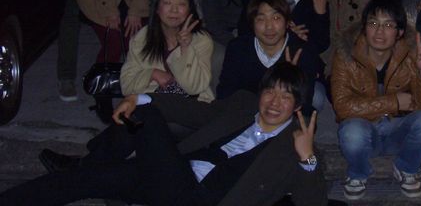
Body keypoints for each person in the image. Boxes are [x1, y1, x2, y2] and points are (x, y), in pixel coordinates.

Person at [2, 63, 327, 206]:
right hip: (169, 176)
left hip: (200, 200)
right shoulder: (242, 105)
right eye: (270, 92)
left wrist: (307, 159)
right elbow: (194, 112)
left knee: (145, 115)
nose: (274, 102)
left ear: (298, 104)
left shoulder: (298, 146)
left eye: (286, 96)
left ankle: (89, 159)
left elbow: (312, 202)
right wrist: (140, 96)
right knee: (86, 179)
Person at [331, 0, 421, 200]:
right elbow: (341, 106)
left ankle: (406, 167)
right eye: (373, 23)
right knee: (351, 131)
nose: (379, 32)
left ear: (399, 32)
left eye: (388, 25)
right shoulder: (346, 55)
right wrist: (394, 102)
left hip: (398, 132)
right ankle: (358, 173)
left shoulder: (411, 54)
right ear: (364, 28)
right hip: (364, 132)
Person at [216, 0, 321, 115]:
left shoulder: (303, 52)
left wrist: (291, 78)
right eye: (261, 19)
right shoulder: (238, 48)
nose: (269, 27)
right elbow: (225, 93)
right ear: (252, 23)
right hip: (244, 113)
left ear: (287, 22)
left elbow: (304, 104)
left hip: (283, 116)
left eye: (276, 18)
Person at [120, 0, 214, 103]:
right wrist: (151, 74)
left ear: (189, 10)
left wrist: (185, 48)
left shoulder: (201, 40)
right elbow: (126, 86)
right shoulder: (142, 38)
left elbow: (194, 88)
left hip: (193, 103)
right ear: (157, 8)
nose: (174, 10)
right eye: (167, 3)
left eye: (181, 4)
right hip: (153, 100)